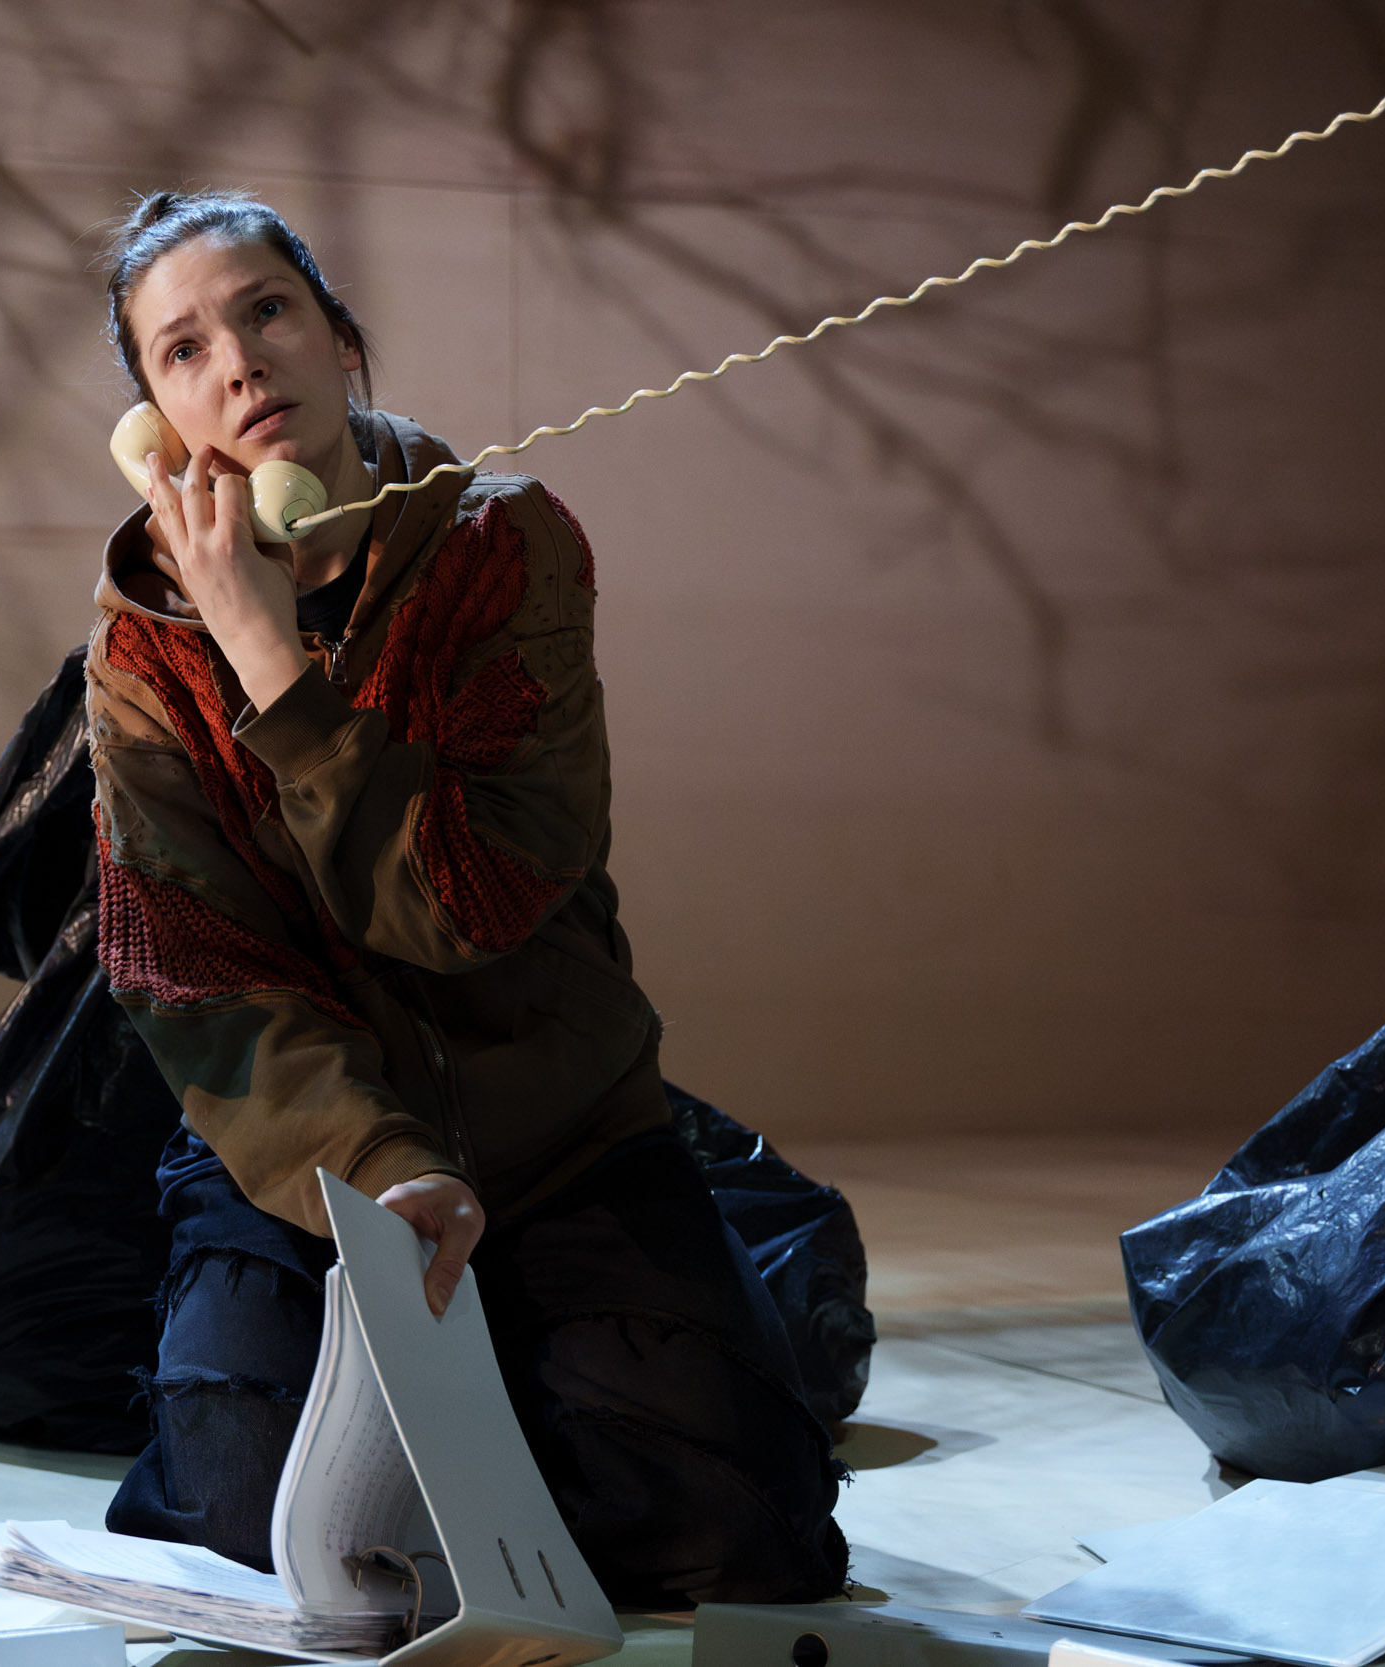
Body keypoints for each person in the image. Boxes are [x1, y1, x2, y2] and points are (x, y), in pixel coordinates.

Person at [84, 189, 847, 1607]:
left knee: (734, 1526)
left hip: (557, 1130)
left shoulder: (504, 546)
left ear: (339, 337)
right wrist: (376, 1161)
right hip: (314, 1162)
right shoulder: (142, 647)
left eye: (267, 311)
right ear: (156, 423)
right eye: (184, 351)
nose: (240, 364)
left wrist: (274, 664)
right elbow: (191, 969)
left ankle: (645, 1327)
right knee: (245, 1512)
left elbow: (469, 903)